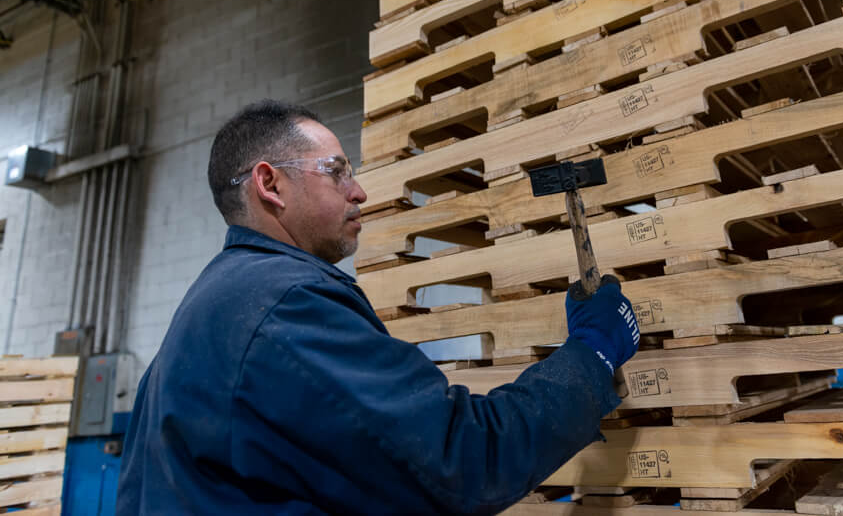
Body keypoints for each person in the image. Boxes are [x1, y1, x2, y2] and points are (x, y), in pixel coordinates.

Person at [116, 100, 640, 514]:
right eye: (336, 172)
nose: (360, 191)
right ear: (270, 183)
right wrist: (591, 356)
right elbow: (461, 461)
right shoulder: (286, 311)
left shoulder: (210, 305)